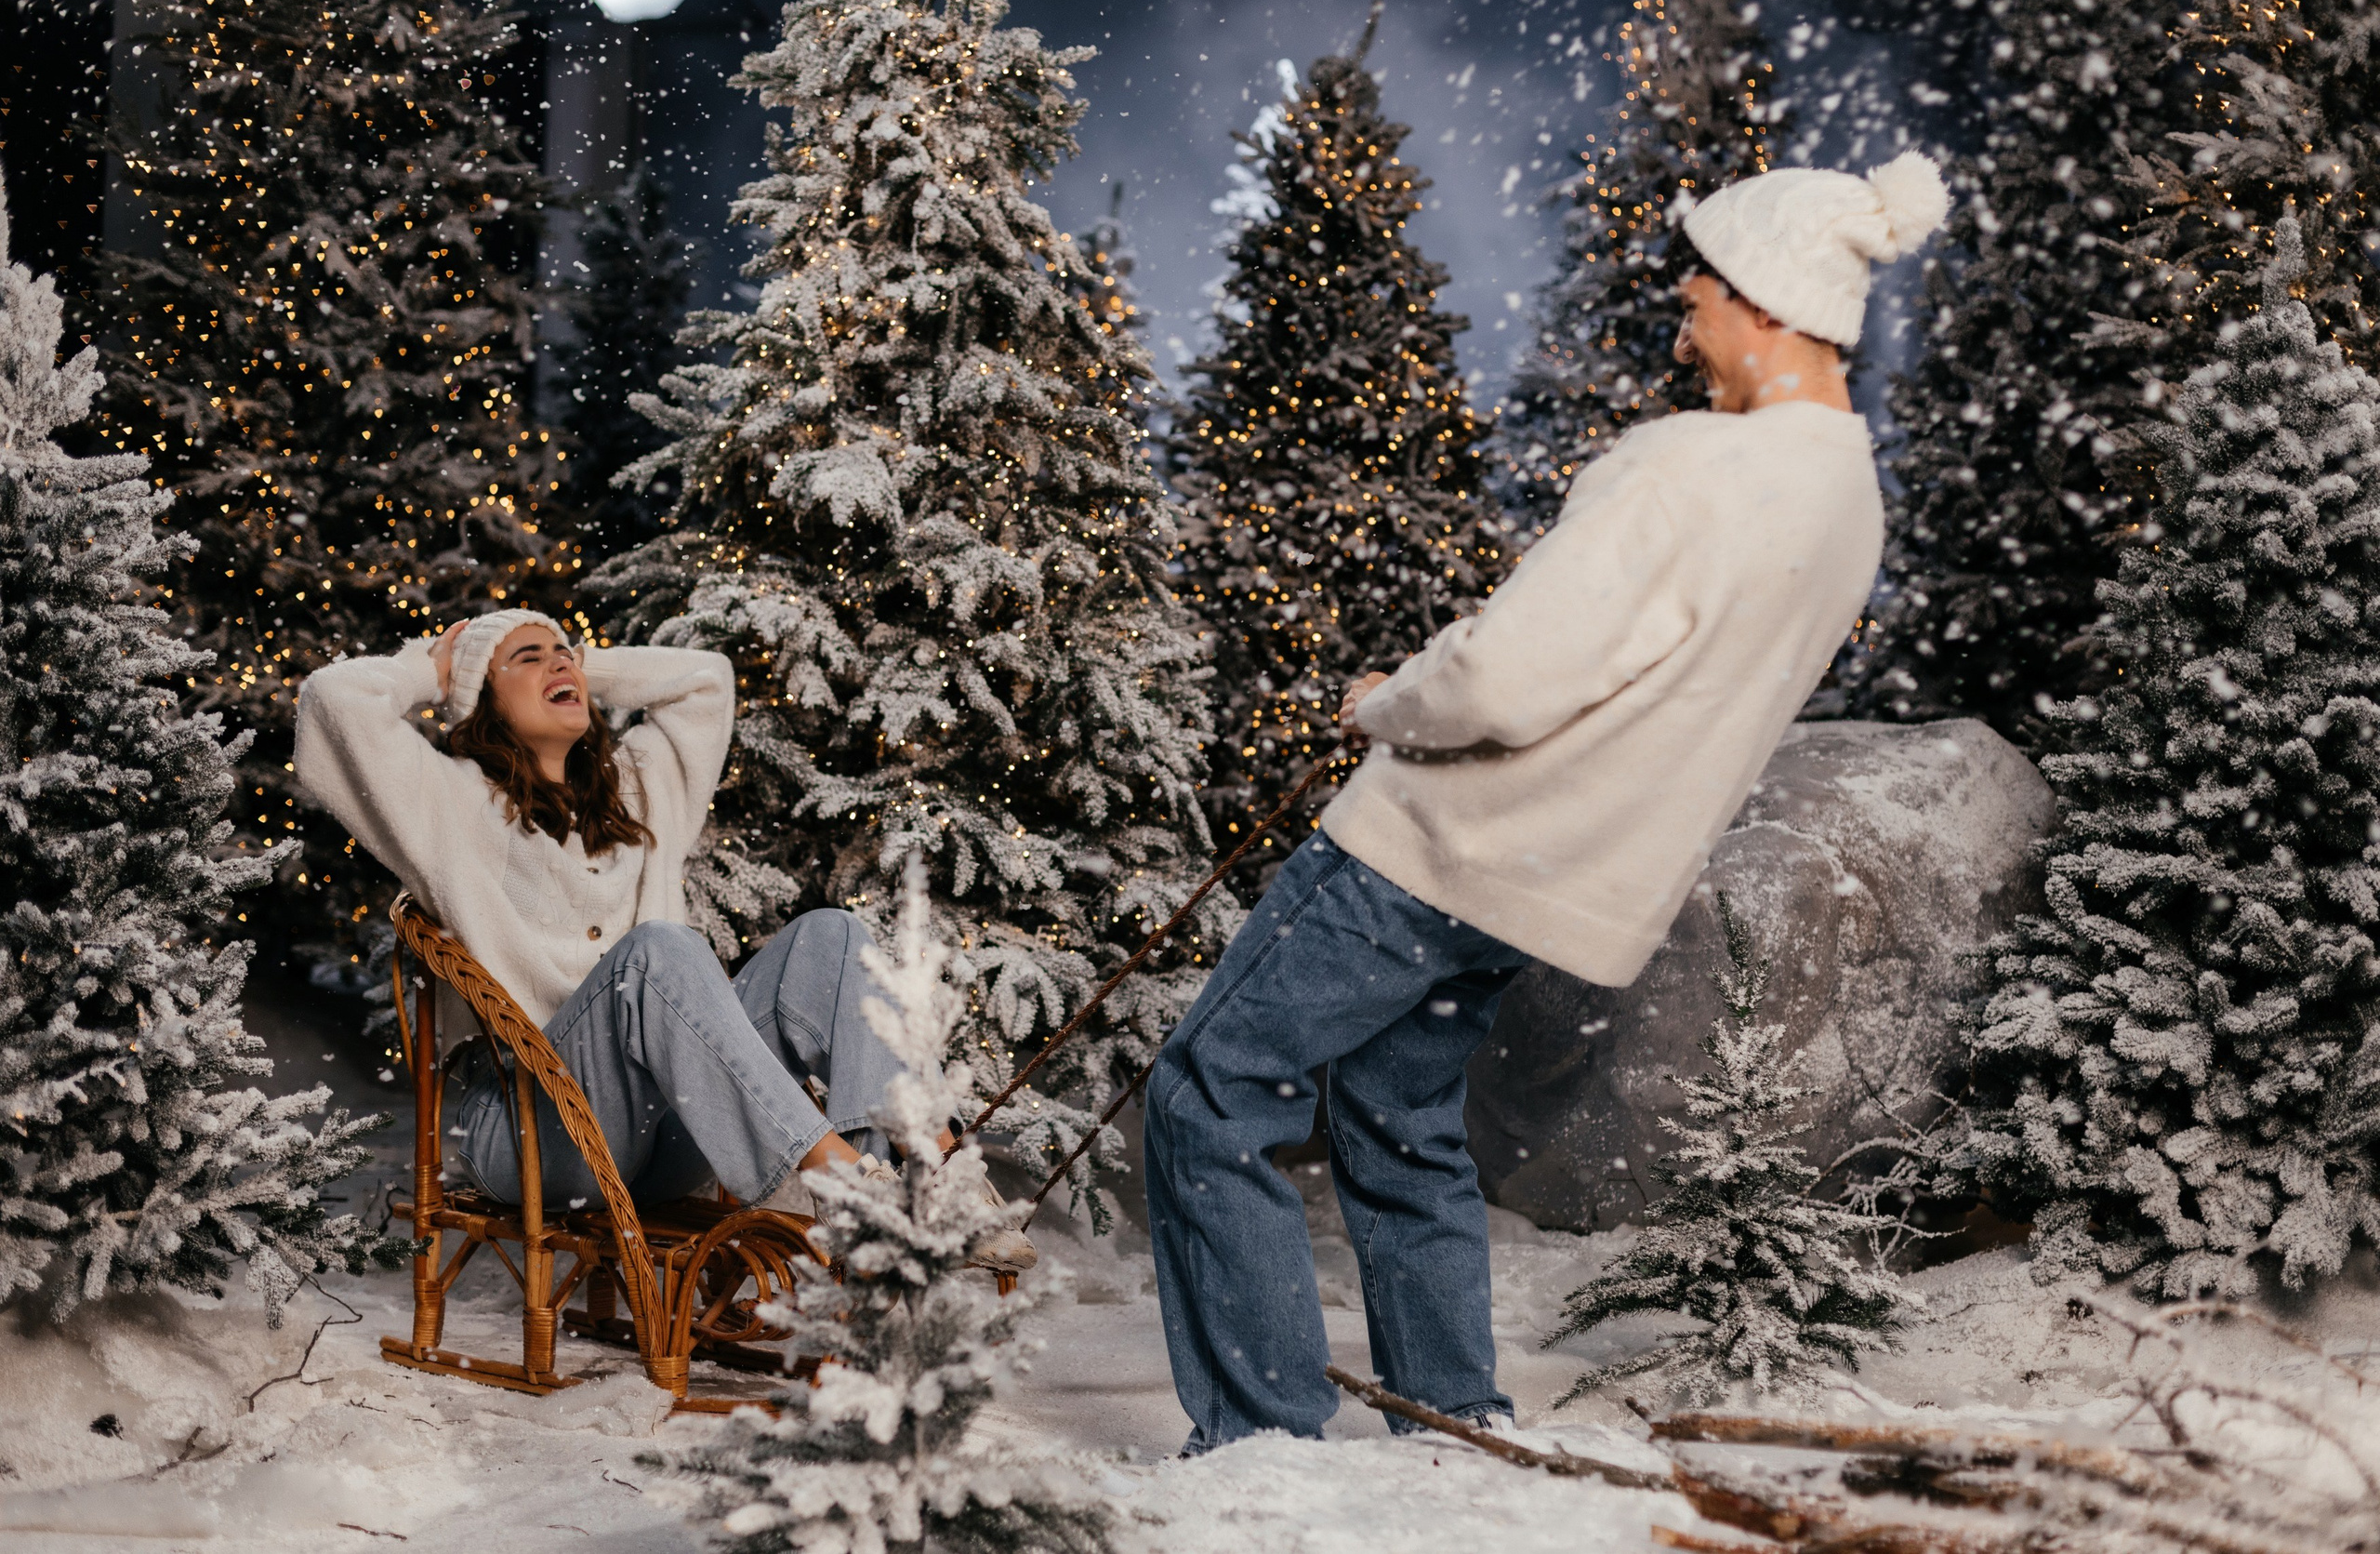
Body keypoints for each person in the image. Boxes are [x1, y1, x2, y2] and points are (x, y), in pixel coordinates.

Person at [1142, 153, 1950, 1450]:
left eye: (1701, 296)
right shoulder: (1849, 497)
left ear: (1769, 304)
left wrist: (1386, 702)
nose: (1684, 323)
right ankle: (1451, 1416)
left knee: (1209, 1089)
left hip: (1432, 851)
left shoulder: (1691, 467)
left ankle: (1261, 1435)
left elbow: (1507, 676)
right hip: (1556, 898)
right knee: (1401, 1123)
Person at [294, 610, 1035, 1271]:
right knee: (660, 950)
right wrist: (437, 666)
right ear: (480, 700)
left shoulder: (639, 794)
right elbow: (331, 704)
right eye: (529, 658)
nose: (561, 664)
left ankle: (930, 1173)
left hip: (663, 1138)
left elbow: (706, 682)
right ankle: (844, 1188)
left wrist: (570, 660)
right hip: (532, 1137)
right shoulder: (445, 801)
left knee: (832, 936)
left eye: (567, 653)